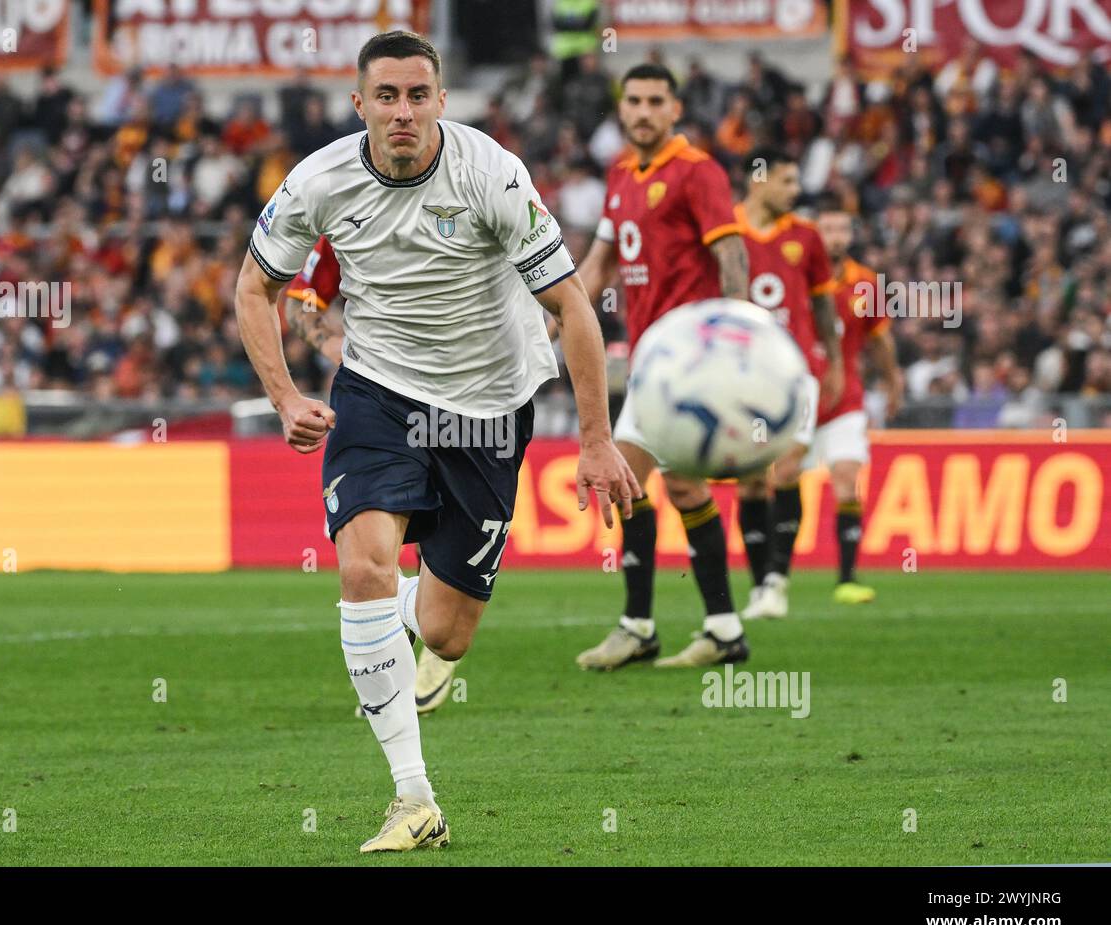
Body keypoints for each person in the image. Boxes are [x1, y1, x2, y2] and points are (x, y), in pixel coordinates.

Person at [234, 31, 639, 853]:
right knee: (364, 567)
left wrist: (596, 439)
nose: (403, 111)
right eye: (386, 96)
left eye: (419, 95)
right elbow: (255, 285)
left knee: (446, 631)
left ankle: (419, 642)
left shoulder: (492, 172)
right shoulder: (318, 180)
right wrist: (284, 398)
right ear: (360, 105)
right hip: (377, 396)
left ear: (442, 101)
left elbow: (572, 309)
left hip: (489, 409)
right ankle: (412, 797)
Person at [571, 63, 754, 672]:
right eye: (634, 100)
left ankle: (640, 625)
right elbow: (599, 262)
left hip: (692, 359)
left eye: (655, 101)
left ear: (676, 109)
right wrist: (550, 320)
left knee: (626, 481)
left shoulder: (698, 171)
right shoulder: (620, 174)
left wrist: (736, 339)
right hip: (650, 360)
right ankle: (722, 630)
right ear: (621, 109)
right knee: (666, 487)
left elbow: (730, 252)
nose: (643, 111)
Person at [282, 238, 458, 716]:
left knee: (443, 537)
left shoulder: (477, 196)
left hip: (469, 401)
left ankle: (435, 640)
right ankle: (399, 657)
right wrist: (329, 341)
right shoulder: (351, 210)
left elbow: (548, 293)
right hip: (381, 405)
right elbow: (301, 302)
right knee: (372, 544)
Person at [733, 148, 842, 621]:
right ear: (759, 180)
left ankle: (778, 577)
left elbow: (822, 304)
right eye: (788, 181)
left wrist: (834, 361)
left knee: (787, 469)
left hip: (796, 373)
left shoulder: (807, 237)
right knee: (751, 483)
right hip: (741, 374)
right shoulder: (725, 230)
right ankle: (761, 587)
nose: (796, 192)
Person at [813, 197, 903, 603]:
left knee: (847, 481)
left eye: (842, 230)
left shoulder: (865, 281)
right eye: (828, 229)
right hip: (796, 401)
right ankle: (771, 578)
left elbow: (879, 338)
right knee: (775, 482)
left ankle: (847, 577)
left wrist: (893, 380)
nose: (835, 238)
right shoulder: (795, 275)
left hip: (846, 398)